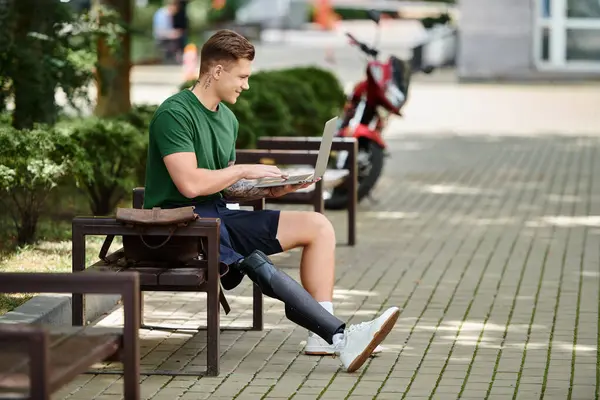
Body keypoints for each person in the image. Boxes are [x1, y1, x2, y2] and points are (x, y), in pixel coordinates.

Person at [143, 29, 400, 373]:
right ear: (216, 71)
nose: (246, 85)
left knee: (317, 226)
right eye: (242, 76)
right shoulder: (174, 114)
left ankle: (321, 337)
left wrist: (273, 190)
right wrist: (245, 170)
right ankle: (338, 337)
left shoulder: (228, 119)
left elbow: (224, 188)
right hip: (178, 226)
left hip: (217, 216)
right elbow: (190, 184)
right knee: (255, 259)